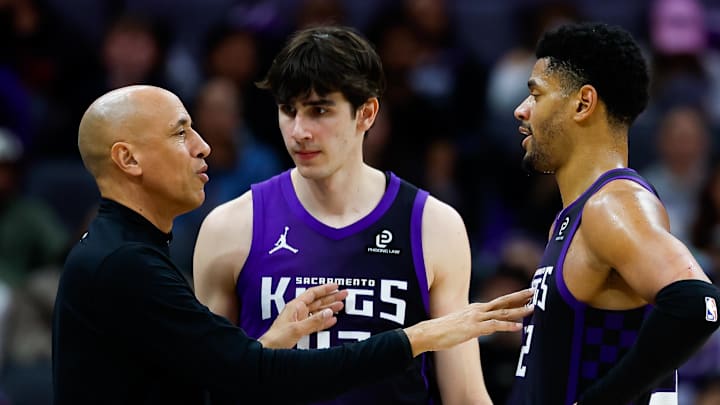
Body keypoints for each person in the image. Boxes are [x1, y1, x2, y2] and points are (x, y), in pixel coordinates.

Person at [51, 84, 534, 404]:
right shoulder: (125, 265)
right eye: (181, 133)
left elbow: (215, 376)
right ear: (127, 159)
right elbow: (259, 376)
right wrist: (423, 335)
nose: (203, 146)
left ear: (367, 116)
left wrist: (271, 341)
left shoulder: (123, 252)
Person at [193, 25, 490, 404]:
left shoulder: (435, 225)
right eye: (288, 110)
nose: (299, 131)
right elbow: (210, 386)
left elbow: (463, 394)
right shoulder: (230, 227)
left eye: (319, 110)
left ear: (366, 113)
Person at [506, 22, 720, 405]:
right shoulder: (574, 216)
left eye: (536, 95)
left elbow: (698, 305)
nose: (521, 110)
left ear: (583, 103)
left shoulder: (613, 204)